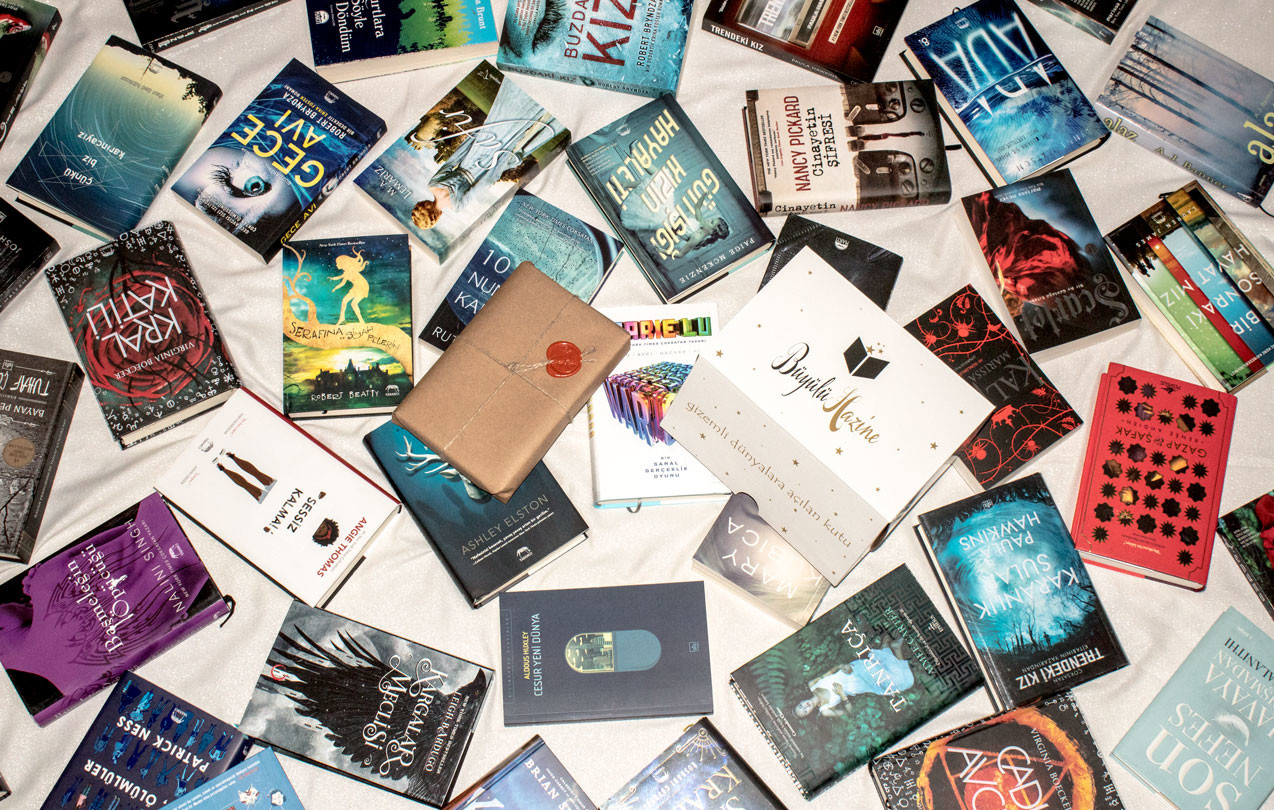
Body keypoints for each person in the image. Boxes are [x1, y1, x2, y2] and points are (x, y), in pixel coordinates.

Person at [410, 82, 562, 230]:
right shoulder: (433, 185)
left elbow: (483, 183)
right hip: (476, 151)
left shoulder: (457, 207)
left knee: (520, 139)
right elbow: (456, 157)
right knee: (503, 122)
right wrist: (476, 136)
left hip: (487, 168)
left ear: (435, 217)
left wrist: (500, 163)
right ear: (424, 205)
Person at [793, 638, 914, 719]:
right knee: (901, 683)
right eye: (805, 711)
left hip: (854, 670)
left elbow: (830, 672)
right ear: (809, 713)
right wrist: (842, 695)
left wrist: (841, 666)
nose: (806, 706)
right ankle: (888, 649)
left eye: (801, 706)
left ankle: (889, 649)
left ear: (800, 701)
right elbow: (850, 712)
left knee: (901, 683)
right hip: (861, 685)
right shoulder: (825, 710)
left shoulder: (812, 685)